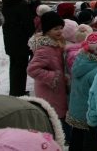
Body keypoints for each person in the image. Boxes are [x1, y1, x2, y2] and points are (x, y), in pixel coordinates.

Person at [26, 11, 72, 146]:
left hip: (55, 89)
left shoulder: (54, 43)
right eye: (55, 29)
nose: (59, 31)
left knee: (59, 115)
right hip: (50, 90)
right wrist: (55, 77)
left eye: (61, 28)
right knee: (56, 116)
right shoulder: (45, 48)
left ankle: (61, 139)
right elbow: (32, 69)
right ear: (47, 30)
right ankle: (58, 141)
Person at [67, 32, 97, 151]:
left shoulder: (81, 60)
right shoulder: (96, 70)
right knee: (89, 142)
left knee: (77, 138)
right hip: (88, 113)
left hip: (76, 110)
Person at [2, 0, 35, 97]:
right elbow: (28, 23)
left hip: (10, 39)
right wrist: (33, 36)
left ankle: (15, 90)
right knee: (21, 67)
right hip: (21, 40)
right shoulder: (21, 4)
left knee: (14, 66)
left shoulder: (6, 3)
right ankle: (18, 92)